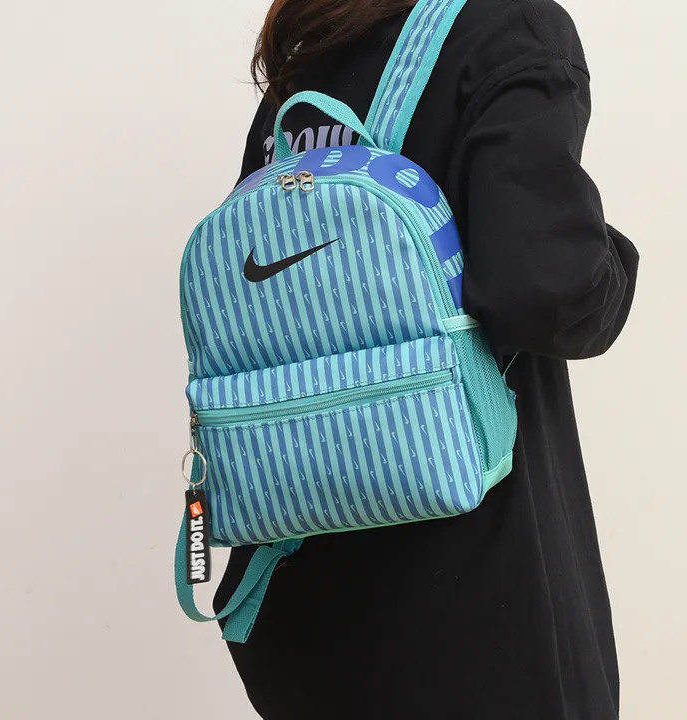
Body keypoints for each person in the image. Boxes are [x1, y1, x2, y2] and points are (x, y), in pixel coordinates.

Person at [214, 1, 639, 718]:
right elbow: (547, 291)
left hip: (299, 601)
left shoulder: (314, 40)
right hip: (479, 610)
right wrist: (615, 261)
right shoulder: (509, 28)